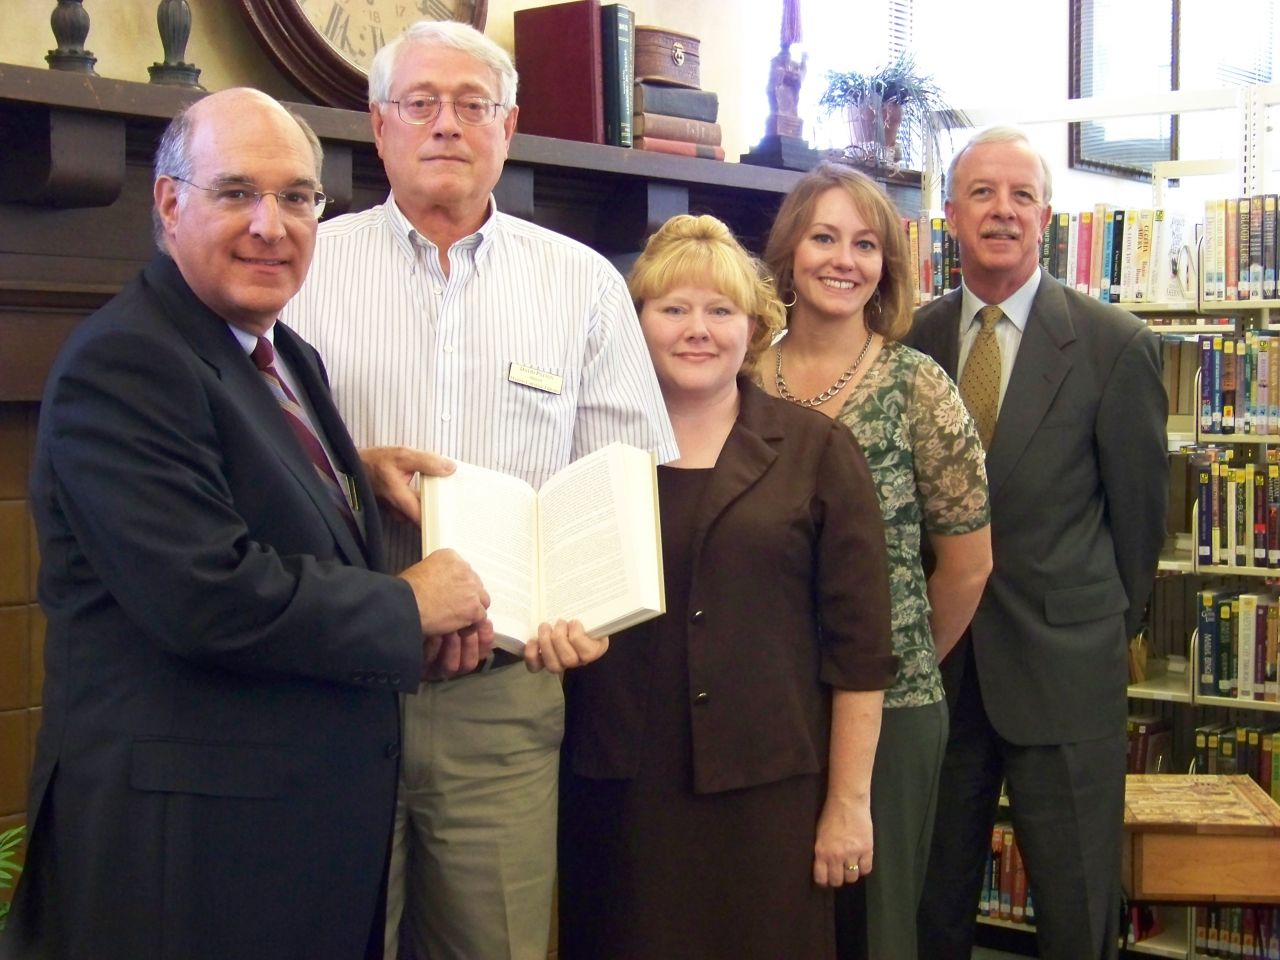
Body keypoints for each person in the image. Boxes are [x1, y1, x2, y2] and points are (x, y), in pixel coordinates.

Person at [0, 88, 496, 960]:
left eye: (297, 197)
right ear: (169, 203)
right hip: (183, 865)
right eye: (236, 192)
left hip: (288, 845)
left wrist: (409, 637)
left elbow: (287, 534)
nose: (272, 225)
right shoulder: (126, 360)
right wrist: (406, 605)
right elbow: (206, 594)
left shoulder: (286, 355)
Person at [283, 21, 679, 960]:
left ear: (509, 127)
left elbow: (621, 484)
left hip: (504, 700)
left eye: (473, 104)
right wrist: (355, 463)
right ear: (379, 125)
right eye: (421, 102)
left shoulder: (582, 284)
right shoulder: (301, 270)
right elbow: (250, 455)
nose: (447, 124)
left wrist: (589, 608)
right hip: (331, 689)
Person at [555, 213, 898, 960]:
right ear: (634, 324)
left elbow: (862, 652)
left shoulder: (818, 452)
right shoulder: (585, 451)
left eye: (720, 310)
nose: (696, 330)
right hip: (619, 797)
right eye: (672, 308)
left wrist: (849, 804)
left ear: (755, 327)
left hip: (771, 801)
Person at [906, 127, 1168, 960]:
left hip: (1065, 670)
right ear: (951, 215)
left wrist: (1097, 631)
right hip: (940, 668)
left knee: (1076, 906)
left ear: (1047, 217)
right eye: (983, 192)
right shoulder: (911, 342)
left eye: (1022, 195)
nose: (1004, 211)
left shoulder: (1114, 345)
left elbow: (1139, 525)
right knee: (929, 902)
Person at [758, 162, 993, 960]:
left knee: (877, 932)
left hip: (893, 709)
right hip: (764, 705)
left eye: (865, 244)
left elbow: (967, 567)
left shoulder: (919, 387)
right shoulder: (740, 375)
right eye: (823, 237)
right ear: (790, 251)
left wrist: (899, 658)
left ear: (886, 265)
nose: (843, 260)